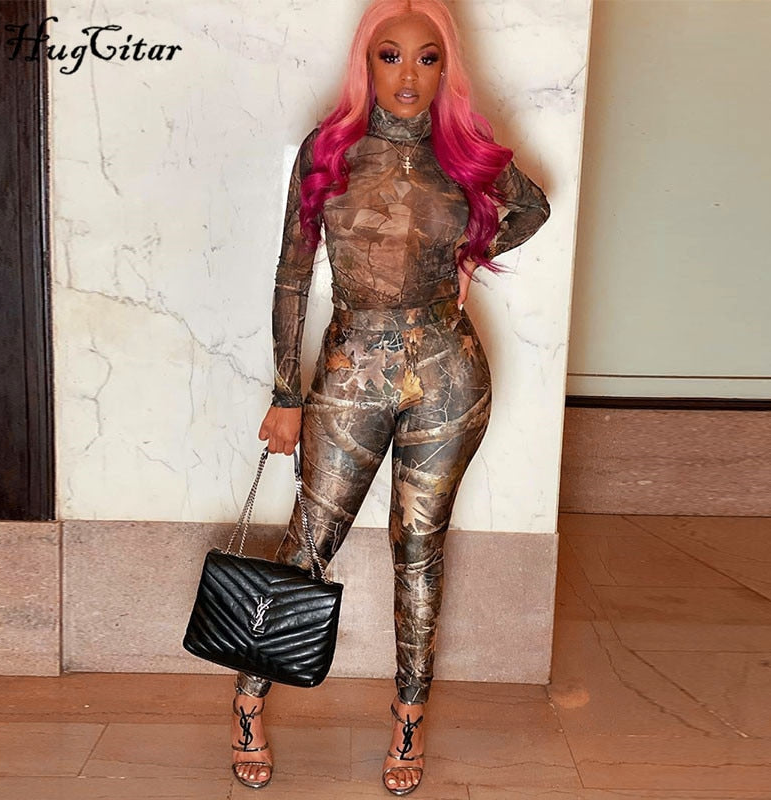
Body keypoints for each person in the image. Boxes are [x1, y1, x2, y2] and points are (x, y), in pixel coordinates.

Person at [230, 0, 550, 793]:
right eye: (391, 55)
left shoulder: (464, 149)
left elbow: (533, 207)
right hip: (351, 370)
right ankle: (248, 701)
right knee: (310, 541)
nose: (409, 75)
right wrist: (286, 392)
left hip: (449, 373)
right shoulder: (329, 149)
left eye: (427, 57)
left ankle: (409, 721)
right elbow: (292, 276)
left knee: (420, 549)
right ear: (365, 62)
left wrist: (469, 252)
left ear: (447, 66)